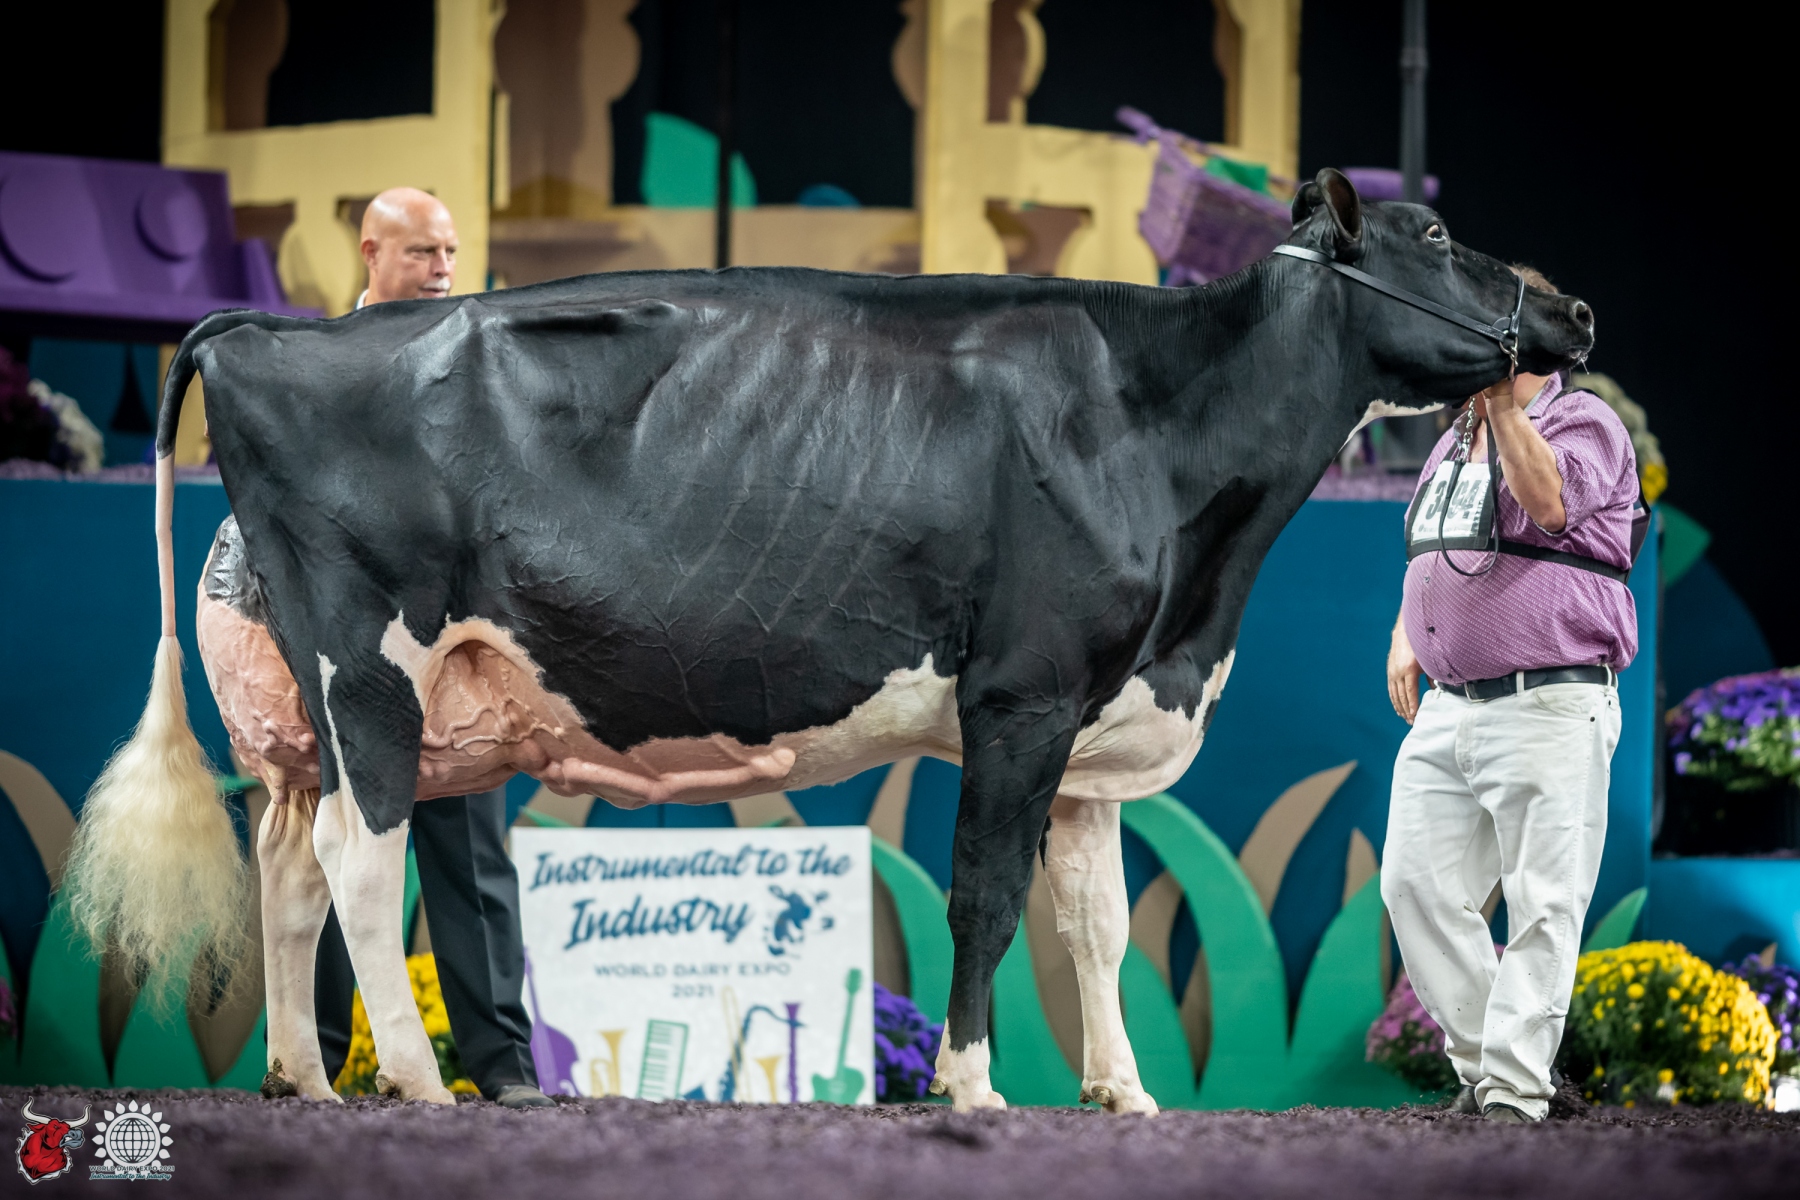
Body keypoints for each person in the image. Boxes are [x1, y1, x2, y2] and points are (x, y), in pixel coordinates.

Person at [1380, 267, 1638, 1124]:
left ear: (1520, 342)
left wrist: (1500, 404)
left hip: (1550, 699)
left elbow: (1549, 502)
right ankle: (1492, 1068)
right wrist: (1407, 629)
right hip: (1450, 706)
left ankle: (1515, 1094)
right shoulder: (1454, 439)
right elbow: (1433, 546)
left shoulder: (1583, 419)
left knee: (1542, 903)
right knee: (1413, 886)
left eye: (1481, 329)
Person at [314, 187, 554, 1109]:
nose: (444, 270)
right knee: (335, 851)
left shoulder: (479, 362)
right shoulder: (314, 368)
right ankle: (315, 1059)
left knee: (474, 863)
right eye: (423, 253)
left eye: (450, 252)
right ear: (372, 252)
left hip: (455, 661)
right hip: (347, 661)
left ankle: (505, 1069)